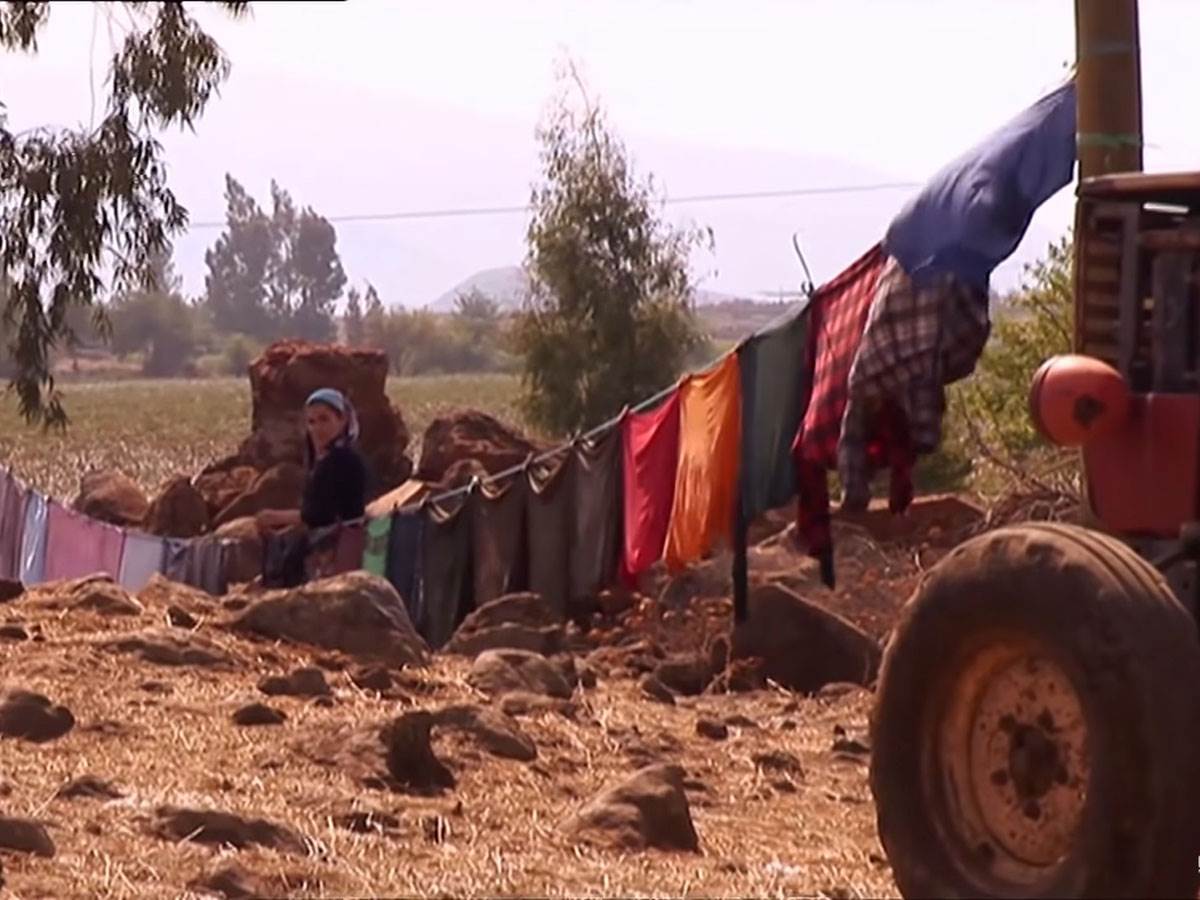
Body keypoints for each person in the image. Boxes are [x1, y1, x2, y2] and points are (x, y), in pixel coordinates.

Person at [256, 388, 369, 579]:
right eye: (311, 422)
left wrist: (273, 517)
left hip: (337, 544)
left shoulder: (341, 460)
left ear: (342, 420)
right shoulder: (331, 458)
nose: (317, 428)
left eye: (324, 419)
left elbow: (317, 515)